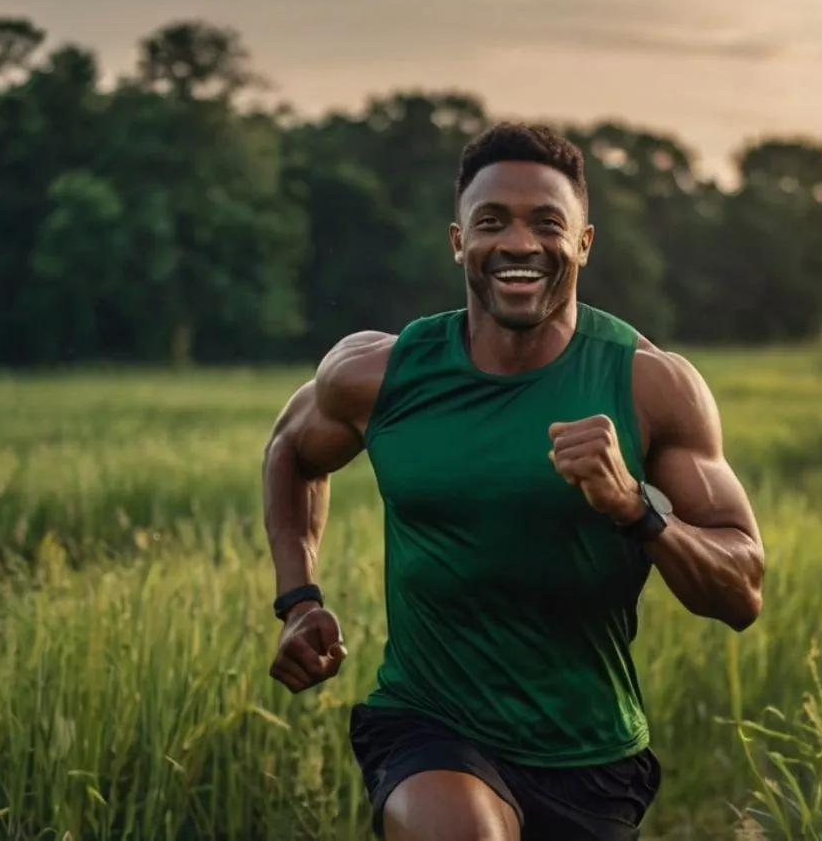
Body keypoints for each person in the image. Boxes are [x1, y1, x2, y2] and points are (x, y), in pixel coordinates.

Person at [261, 122, 765, 841]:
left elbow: (742, 591)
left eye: (547, 223)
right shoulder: (380, 373)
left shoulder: (651, 386)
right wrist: (298, 600)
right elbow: (290, 450)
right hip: (426, 724)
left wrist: (635, 508)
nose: (520, 244)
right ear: (459, 242)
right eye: (492, 222)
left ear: (584, 243)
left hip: (591, 755)